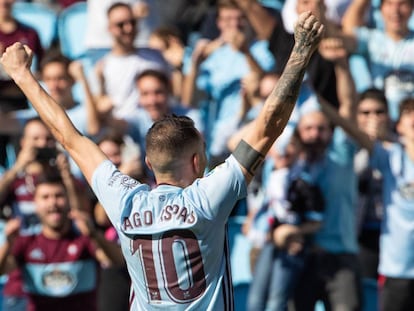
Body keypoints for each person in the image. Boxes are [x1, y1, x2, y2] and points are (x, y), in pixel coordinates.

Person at [0, 11, 324, 310]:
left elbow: (68, 136)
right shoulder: (208, 199)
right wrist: (301, 52)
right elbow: (269, 125)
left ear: (148, 164)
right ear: (197, 162)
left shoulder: (124, 199)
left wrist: (21, 74)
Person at [0, 173, 124, 311]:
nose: (53, 203)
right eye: (45, 197)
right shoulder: (26, 244)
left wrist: (95, 234)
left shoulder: (85, 242)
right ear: (35, 203)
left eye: (58, 196)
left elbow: (119, 261)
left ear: (68, 200)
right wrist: (8, 244)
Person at [93, 2, 170, 119]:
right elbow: (98, 110)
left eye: (132, 22)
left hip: (157, 127)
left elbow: (175, 95)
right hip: (121, 130)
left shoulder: (155, 57)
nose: (128, 28)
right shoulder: (102, 66)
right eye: (121, 25)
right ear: (109, 28)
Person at [341, 0, 414, 121]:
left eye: (402, 4)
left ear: (412, 8)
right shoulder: (371, 39)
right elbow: (346, 33)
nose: (395, 11)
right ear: (380, 9)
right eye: (390, 4)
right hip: (376, 119)